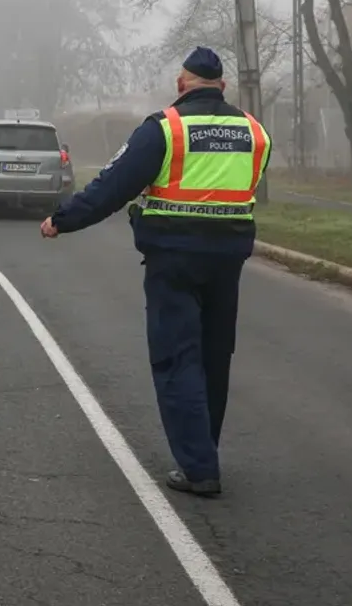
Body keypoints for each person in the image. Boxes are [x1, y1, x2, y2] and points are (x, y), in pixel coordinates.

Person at [38, 46, 270, 497]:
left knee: (176, 358)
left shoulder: (166, 128)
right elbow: (248, 183)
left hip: (175, 258)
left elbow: (114, 185)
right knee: (213, 358)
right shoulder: (254, 131)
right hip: (228, 259)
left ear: (181, 84)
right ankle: (204, 446)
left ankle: (200, 468)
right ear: (222, 86)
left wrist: (63, 220)